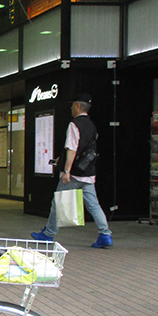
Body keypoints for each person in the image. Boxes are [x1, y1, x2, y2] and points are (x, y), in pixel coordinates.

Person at [31, 93, 113, 248]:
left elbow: (72, 149)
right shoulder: (92, 126)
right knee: (94, 205)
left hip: (74, 173)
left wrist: (66, 170)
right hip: (88, 173)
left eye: (72, 105)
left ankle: (48, 234)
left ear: (77, 106)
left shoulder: (74, 125)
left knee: (58, 202)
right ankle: (105, 234)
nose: (71, 108)